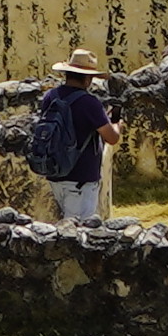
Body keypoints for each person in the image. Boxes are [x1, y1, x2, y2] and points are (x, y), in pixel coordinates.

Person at [29, 49, 114, 223]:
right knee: (79, 232)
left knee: (66, 226)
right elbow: (111, 137)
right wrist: (117, 125)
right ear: (88, 78)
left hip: (55, 172)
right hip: (81, 179)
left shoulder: (50, 96)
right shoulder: (90, 103)